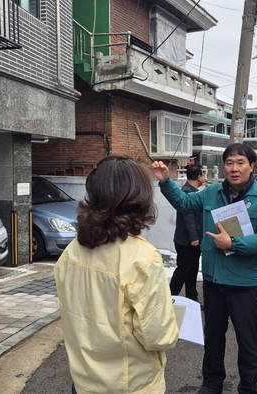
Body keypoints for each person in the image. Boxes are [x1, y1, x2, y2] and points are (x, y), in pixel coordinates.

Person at [151, 144, 257, 394]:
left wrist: (234, 243)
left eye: (241, 162)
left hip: (244, 283)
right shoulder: (211, 192)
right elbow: (185, 204)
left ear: (252, 166)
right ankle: (211, 384)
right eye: (230, 163)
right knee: (212, 338)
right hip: (213, 280)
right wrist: (165, 181)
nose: (234, 168)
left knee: (247, 341)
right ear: (224, 166)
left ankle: (248, 387)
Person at [55, 155, 179, 394]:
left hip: (83, 382)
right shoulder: (143, 258)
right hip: (131, 385)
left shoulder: (72, 251)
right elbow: (159, 337)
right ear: (139, 197)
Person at [169, 165, 204, 304]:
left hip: (191, 240)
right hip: (187, 241)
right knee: (183, 270)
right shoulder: (187, 192)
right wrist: (194, 237)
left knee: (192, 269)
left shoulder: (192, 191)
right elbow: (188, 217)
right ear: (199, 177)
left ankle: (192, 297)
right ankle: (169, 297)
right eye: (203, 175)